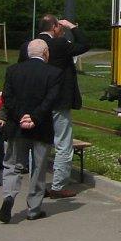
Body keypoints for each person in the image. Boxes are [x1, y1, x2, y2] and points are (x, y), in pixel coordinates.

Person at [19, 14, 90, 198]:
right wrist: (73, 27)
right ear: (55, 27)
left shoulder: (28, 46)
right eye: (60, 26)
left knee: (39, 144)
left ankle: (37, 185)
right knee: (63, 144)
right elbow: (84, 45)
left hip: (35, 103)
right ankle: (58, 185)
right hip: (59, 101)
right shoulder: (60, 44)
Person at [0, 39, 63, 223]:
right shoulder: (54, 73)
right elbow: (51, 99)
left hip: (16, 127)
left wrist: (21, 116)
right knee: (38, 168)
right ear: (46, 53)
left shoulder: (13, 70)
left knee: (12, 165)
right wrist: (34, 117)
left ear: (27, 53)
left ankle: (9, 196)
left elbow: (8, 98)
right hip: (41, 127)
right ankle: (34, 209)